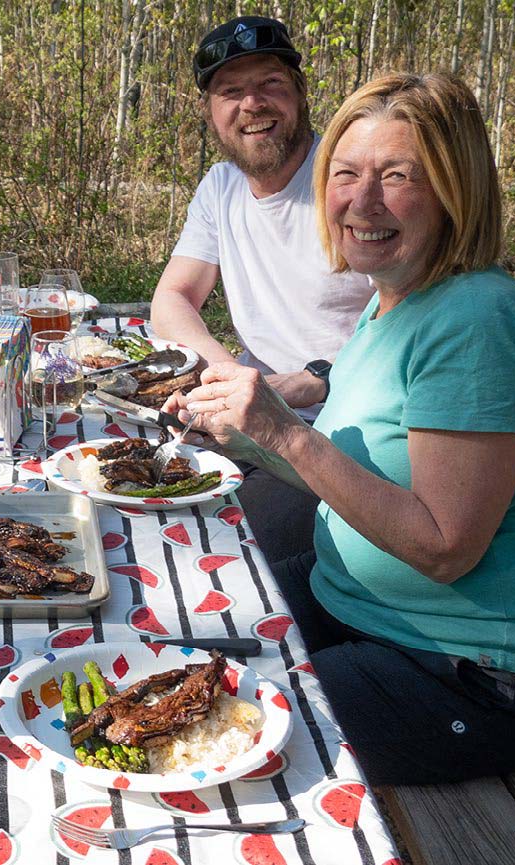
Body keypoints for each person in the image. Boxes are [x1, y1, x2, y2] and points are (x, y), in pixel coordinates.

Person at [170, 73, 515, 784]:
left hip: (482, 668)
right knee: (177, 647)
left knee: (210, 742)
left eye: (396, 176)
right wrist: (237, 434)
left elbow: (443, 546)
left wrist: (286, 434)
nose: (361, 200)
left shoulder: (477, 321)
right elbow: (359, 473)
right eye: (344, 174)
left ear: (453, 192)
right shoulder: (393, 304)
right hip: (363, 604)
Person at [150, 16, 374, 564]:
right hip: (257, 425)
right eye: (231, 90)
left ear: (300, 93)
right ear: (211, 112)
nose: (253, 103)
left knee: (223, 547)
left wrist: (320, 379)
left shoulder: (349, 184)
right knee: (134, 491)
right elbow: (172, 298)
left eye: (270, 84)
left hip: (345, 435)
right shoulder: (221, 187)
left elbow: (420, 322)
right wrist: (234, 384)